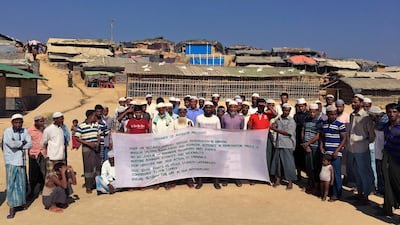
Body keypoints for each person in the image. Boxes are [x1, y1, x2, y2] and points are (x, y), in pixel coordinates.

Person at [346, 95, 375, 205]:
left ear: (361, 103)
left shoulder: (366, 117)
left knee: (364, 173)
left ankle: (365, 196)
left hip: (361, 148)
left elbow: (371, 135)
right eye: (352, 102)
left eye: (355, 102)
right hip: (352, 148)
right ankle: (359, 193)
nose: (353, 104)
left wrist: (364, 142)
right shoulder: (352, 115)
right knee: (356, 172)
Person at [2, 114, 32, 219]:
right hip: (11, 161)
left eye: (20, 122)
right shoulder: (7, 132)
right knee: (11, 185)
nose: (18, 124)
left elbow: (30, 144)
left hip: (21, 161)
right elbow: (11, 144)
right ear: (12, 123)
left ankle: (19, 205)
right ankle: (12, 208)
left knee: (21, 184)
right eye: (16, 122)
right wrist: (22, 143)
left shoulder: (24, 131)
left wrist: (19, 144)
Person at [320, 105, 347, 202]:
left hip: (336, 153)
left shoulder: (340, 124)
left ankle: (336, 194)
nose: (333, 116)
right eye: (331, 114)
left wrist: (337, 150)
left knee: (336, 173)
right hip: (327, 152)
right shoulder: (324, 124)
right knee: (327, 173)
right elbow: (322, 136)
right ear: (327, 114)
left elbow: (344, 138)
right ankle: (329, 192)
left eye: (335, 114)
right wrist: (321, 146)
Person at [195, 101, 221, 189]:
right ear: (204, 109)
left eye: (210, 107)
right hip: (202, 145)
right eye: (207, 107)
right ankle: (200, 181)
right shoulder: (199, 118)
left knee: (214, 163)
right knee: (201, 164)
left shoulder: (216, 119)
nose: (208, 109)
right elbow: (196, 131)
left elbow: (219, 132)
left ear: (213, 109)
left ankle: (216, 181)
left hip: (213, 145)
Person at [270, 103, 297, 190]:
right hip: (278, 143)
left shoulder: (291, 121)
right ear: (282, 110)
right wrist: (274, 125)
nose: (286, 112)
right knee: (277, 163)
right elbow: (274, 123)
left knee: (288, 163)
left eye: (288, 111)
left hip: (287, 144)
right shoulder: (279, 118)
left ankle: (290, 182)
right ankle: (277, 180)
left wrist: (275, 130)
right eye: (285, 110)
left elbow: (288, 132)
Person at [75, 109, 101, 194]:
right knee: (88, 167)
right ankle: (88, 186)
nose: (95, 117)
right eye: (94, 115)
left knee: (97, 166)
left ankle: (97, 185)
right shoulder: (81, 125)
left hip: (96, 147)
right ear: (90, 116)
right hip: (87, 148)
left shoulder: (96, 124)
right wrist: (87, 143)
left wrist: (97, 143)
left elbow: (98, 134)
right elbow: (77, 137)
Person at [248, 98, 277, 173]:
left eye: (262, 106)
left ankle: (266, 174)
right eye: (259, 105)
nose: (261, 107)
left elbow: (275, 114)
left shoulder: (267, 114)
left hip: (266, 138)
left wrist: (268, 105)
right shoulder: (253, 116)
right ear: (257, 105)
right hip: (255, 139)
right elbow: (249, 127)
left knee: (267, 156)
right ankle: (255, 174)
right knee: (255, 156)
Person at [382, 103, 400, 216]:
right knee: (387, 183)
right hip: (388, 158)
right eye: (389, 112)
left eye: (394, 112)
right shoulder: (386, 126)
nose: (391, 114)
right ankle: (388, 207)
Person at [220, 101, 244, 187]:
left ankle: (237, 179)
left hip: (237, 142)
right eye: (231, 107)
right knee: (226, 161)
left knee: (236, 161)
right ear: (228, 108)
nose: (233, 109)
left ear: (237, 108)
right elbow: (222, 129)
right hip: (227, 142)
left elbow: (241, 129)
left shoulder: (241, 118)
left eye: (234, 107)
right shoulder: (224, 117)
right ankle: (225, 179)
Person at [301, 103, 323, 194]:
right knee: (308, 167)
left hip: (315, 147)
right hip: (307, 146)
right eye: (310, 112)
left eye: (314, 112)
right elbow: (303, 131)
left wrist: (308, 144)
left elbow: (318, 135)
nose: (312, 114)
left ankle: (316, 187)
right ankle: (310, 184)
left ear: (317, 111)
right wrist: (305, 144)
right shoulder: (306, 119)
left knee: (315, 167)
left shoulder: (319, 121)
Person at [172, 106, 195, 188]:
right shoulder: (174, 122)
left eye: (183, 112)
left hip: (187, 146)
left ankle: (188, 179)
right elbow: (171, 134)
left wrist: (190, 127)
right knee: (177, 164)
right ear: (178, 113)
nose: (182, 114)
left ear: (186, 113)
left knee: (187, 163)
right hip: (177, 146)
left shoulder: (190, 121)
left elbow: (193, 134)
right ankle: (176, 180)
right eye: (180, 112)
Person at [41, 112, 66, 182]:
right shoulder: (48, 130)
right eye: (60, 119)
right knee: (51, 177)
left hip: (61, 157)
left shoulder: (61, 129)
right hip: (52, 157)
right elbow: (43, 143)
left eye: (62, 118)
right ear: (55, 119)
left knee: (61, 176)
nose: (62, 120)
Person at [368, 106, 387, 196]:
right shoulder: (378, 122)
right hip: (378, 151)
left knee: (383, 173)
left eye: (371, 116)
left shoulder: (383, 123)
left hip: (383, 152)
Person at [27, 115, 47, 200]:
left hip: (43, 153)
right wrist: (29, 152)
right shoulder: (29, 130)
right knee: (33, 174)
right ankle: (32, 192)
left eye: (43, 121)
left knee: (43, 172)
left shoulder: (45, 130)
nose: (42, 123)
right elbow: (27, 142)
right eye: (40, 121)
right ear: (36, 122)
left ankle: (43, 189)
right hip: (33, 154)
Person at [294, 98, 309, 180]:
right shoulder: (296, 115)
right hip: (297, 138)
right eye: (299, 106)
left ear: (305, 106)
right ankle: (298, 174)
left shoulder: (308, 115)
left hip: (306, 139)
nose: (300, 108)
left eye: (302, 106)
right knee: (298, 156)